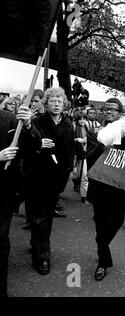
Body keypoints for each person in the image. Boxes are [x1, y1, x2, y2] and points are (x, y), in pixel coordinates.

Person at [25, 87, 74, 275]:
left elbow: (70, 153)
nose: (56, 104)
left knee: (45, 217)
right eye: (52, 101)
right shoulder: (36, 122)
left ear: (64, 105)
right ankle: (42, 255)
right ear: (46, 104)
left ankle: (39, 248)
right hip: (36, 175)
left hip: (56, 177)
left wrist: (68, 172)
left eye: (59, 101)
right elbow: (25, 147)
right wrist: (38, 144)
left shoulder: (68, 125)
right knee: (38, 216)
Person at [87, 97, 125, 281]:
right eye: (106, 109)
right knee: (101, 223)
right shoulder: (95, 132)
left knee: (118, 220)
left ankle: (101, 242)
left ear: (120, 114)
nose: (109, 112)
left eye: (113, 109)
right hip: (99, 185)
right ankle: (103, 262)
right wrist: (103, 146)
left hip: (119, 186)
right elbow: (88, 156)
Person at [0, 106, 40, 297]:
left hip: (3, 191)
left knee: (1, 240)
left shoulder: (9, 119)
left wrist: (28, 125)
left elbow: (33, 149)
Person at [73, 110, 89, 203]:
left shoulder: (87, 127)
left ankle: (84, 196)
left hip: (85, 154)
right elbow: (70, 139)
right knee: (76, 173)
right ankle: (75, 182)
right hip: (77, 154)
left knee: (84, 175)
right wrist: (77, 139)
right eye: (80, 119)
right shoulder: (74, 127)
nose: (82, 121)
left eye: (83, 119)